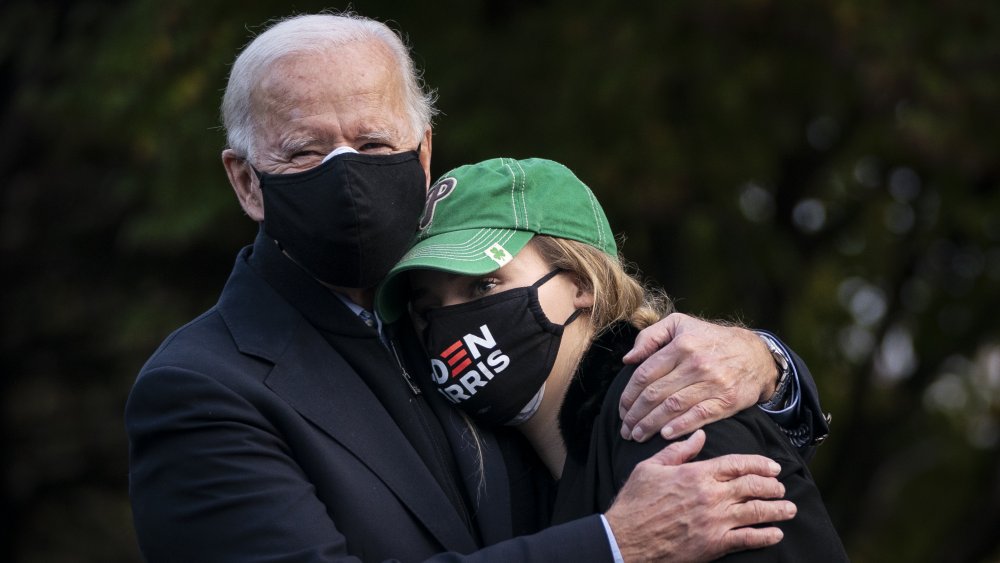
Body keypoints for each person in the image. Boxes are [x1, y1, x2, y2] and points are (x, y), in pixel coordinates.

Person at [125, 12, 828, 563]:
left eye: (373, 145)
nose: (346, 176)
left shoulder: (461, 321)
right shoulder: (201, 390)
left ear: (422, 153)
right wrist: (614, 545)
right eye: (305, 151)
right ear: (247, 180)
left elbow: (724, 446)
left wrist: (767, 361)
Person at [376, 157, 848, 561]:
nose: (451, 322)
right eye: (428, 310)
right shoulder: (520, 473)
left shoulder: (667, 409)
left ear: (582, 281)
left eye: (484, 285)